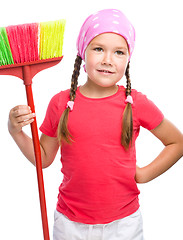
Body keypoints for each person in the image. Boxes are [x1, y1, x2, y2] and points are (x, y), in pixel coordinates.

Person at [8, 9, 183, 240]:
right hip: (70, 224)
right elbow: (44, 158)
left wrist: (142, 175)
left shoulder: (136, 103)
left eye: (119, 52)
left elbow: (177, 142)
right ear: (83, 52)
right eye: (98, 48)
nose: (107, 60)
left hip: (124, 224)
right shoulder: (61, 103)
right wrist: (16, 131)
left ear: (128, 58)